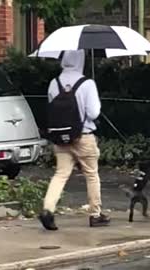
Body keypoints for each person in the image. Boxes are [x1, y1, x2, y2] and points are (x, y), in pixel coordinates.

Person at [38, 50, 110, 230]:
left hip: (60, 137)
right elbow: (93, 112)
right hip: (83, 136)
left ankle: (47, 209)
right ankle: (95, 214)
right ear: (81, 60)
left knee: (60, 174)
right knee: (91, 174)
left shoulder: (54, 83)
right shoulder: (87, 83)